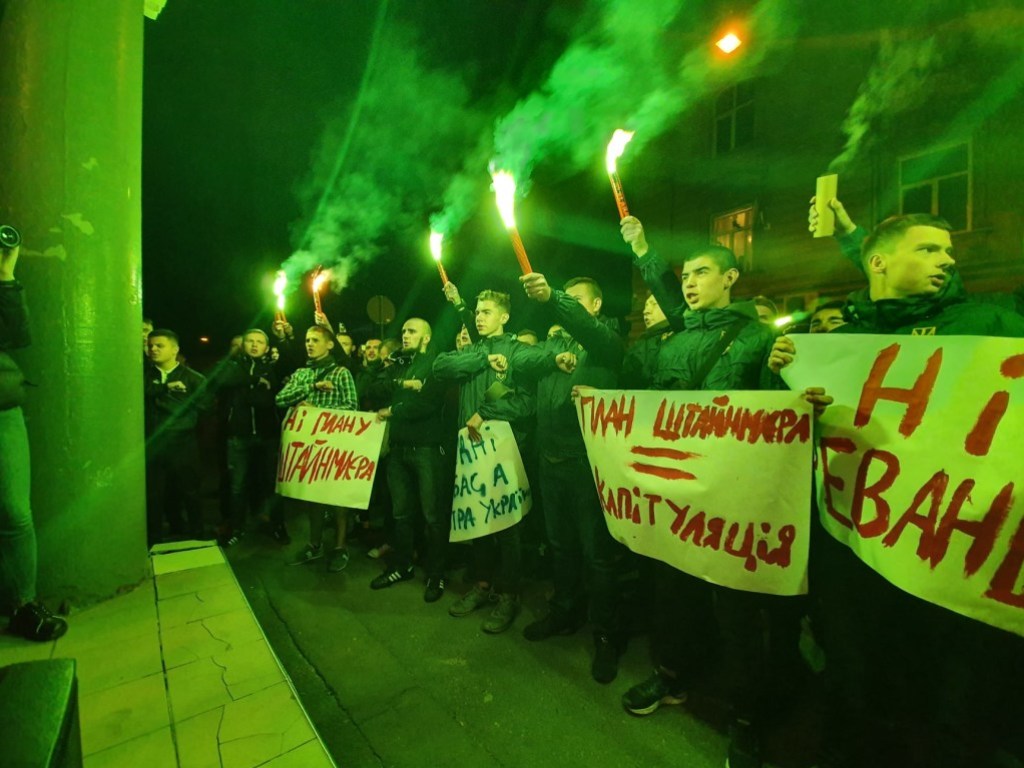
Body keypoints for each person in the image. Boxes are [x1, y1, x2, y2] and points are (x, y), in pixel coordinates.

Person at [770, 213, 1024, 768]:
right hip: (856, 547)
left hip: (948, 550)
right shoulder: (841, 340)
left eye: (948, 251)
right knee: (854, 669)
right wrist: (786, 385)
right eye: (930, 249)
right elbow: (796, 437)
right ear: (879, 262)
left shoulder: (990, 323)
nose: (949, 260)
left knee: (949, 690)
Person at [620, 215, 806, 768]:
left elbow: (780, 416)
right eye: (685, 277)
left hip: (734, 501)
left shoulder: (758, 338)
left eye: (702, 273)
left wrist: (792, 382)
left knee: (739, 615)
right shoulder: (675, 338)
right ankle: (671, 675)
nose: (690, 282)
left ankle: (746, 717)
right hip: (680, 497)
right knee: (672, 593)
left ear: (731, 278)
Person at [518, 273, 626, 683]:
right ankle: (564, 611)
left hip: (587, 465)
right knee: (560, 546)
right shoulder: (553, 347)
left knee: (597, 555)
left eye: (576, 300)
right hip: (551, 461)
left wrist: (553, 298)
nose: (566, 307)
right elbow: (520, 361)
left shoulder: (606, 342)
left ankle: (607, 635)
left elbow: (585, 327)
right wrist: (551, 358)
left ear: (594, 306)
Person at [433, 287, 542, 634]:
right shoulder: (474, 351)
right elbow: (440, 367)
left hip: (504, 450)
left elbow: (527, 403)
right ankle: (481, 586)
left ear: (504, 317)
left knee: (508, 528)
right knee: (479, 521)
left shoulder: (517, 351)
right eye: (477, 312)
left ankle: (508, 594)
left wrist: (484, 413)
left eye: (487, 312)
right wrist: (481, 360)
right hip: (470, 452)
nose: (479, 317)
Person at [0, 233, 68, 641]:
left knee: (14, 512)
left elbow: (16, 335)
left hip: (2, 408)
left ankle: (24, 605)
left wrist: (6, 274)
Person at [372, 318, 449, 601]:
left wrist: (394, 409)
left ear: (426, 337)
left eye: (412, 331)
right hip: (399, 450)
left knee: (432, 517)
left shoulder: (436, 364)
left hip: (426, 449)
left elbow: (428, 402)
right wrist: (403, 382)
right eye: (404, 331)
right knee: (401, 514)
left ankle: (436, 574)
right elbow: (375, 390)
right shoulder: (402, 362)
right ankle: (402, 566)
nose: (405, 335)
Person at [276, 326, 359, 571]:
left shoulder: (342, 373)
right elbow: (280, 399)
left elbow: (352, 407)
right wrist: (311, 388)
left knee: (337, 499)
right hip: (310, 447)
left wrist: (320, 413)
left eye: (315, 340)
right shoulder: (301, 374)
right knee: (313, 498)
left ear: (329, 344)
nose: (309, 344)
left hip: (335, 446)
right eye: (307, 340)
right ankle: (314, 545)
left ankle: (340, 547)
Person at [215, 328, 282, 546]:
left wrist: (246, 389)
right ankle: (236, 528)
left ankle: (277, 525)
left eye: (259, 341)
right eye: (250, 341)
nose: (254, 345)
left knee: (272, 484)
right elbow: (223, 379)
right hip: (239, 435)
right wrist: (255, 381)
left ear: (266, 346)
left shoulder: (272, 367)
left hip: (267, 434)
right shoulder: (233, 365)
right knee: (237, 485)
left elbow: (265, 401)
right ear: (243, 345)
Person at [144, 329, 210, 545]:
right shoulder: (142, 376)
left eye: (159, 345)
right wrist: (165, 392)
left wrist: (165, 401)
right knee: (154, 492)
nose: (153, 349)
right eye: (151, 345)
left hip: (183, 441)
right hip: (153, 441)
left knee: (190, 488)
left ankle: (197, 531)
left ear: (175, 349)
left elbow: (206, 405)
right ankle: (153, 536)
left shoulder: (193, 378)